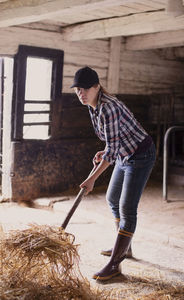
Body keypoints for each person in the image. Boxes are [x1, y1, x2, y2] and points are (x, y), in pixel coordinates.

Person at [71, 66, 156, 281]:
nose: (81, 94)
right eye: (78, 89)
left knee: (127, 208)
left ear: (97, 87)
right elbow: (112, 143)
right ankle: (124, 248)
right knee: (112, 198)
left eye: (86, 89)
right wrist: (106, 151)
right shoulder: (92, 106)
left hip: (140, 155)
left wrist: (91, 179)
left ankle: (115, 264)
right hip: (123, 154)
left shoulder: (108, 107)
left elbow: (112, 149)